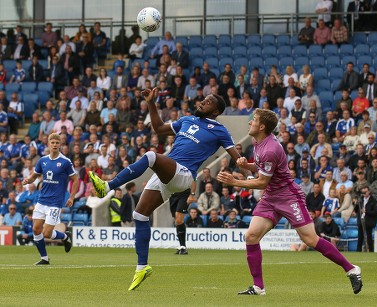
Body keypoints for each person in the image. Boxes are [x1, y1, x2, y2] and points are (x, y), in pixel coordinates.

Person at [88, 88, 243, 291]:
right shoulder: (187, 120)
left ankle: (107, 186)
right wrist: (152, 103)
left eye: (208, 102)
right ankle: (142, 267)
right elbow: (159, 128)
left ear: (215, 111)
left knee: (151, 156)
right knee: (140, 215)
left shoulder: (220, 130)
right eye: (203, 99)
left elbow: (237, 158)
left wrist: (251, 171)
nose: (202, 102)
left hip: (184, 174)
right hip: (168, 172)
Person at [216, 108, 362, 296]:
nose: (250, 122)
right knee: (251, 236)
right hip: (271, 197)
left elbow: (261, 181)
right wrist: (247, 165)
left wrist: (235, 181)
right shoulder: (256, 141)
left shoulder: (271, 148)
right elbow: (262, 167)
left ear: (262, 126)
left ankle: (352, 269)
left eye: (253, 120)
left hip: (288, 196)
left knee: (309, 239)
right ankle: (258, 287)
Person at [22, 133, 78, 265]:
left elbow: (75, 180)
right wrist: (28, 180)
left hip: (55, 202)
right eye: (52, 142)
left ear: (60, 145)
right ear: (48, 144)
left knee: (47, 233)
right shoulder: (43, 160)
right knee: (36, 229)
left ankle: (65, 236)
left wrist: (71, 197)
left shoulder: (65, 162)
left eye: (57, 143)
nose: (54, 145)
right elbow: (35, 175)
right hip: (42, 200)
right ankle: (44, 258)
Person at [169, 182, 197, 255]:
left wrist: (192, 194)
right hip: (172, 194)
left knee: (179, 219)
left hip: (184, 194)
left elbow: (194, 179)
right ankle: (181, 246)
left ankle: (183, 246)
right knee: (177, 220)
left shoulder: (188, 170)